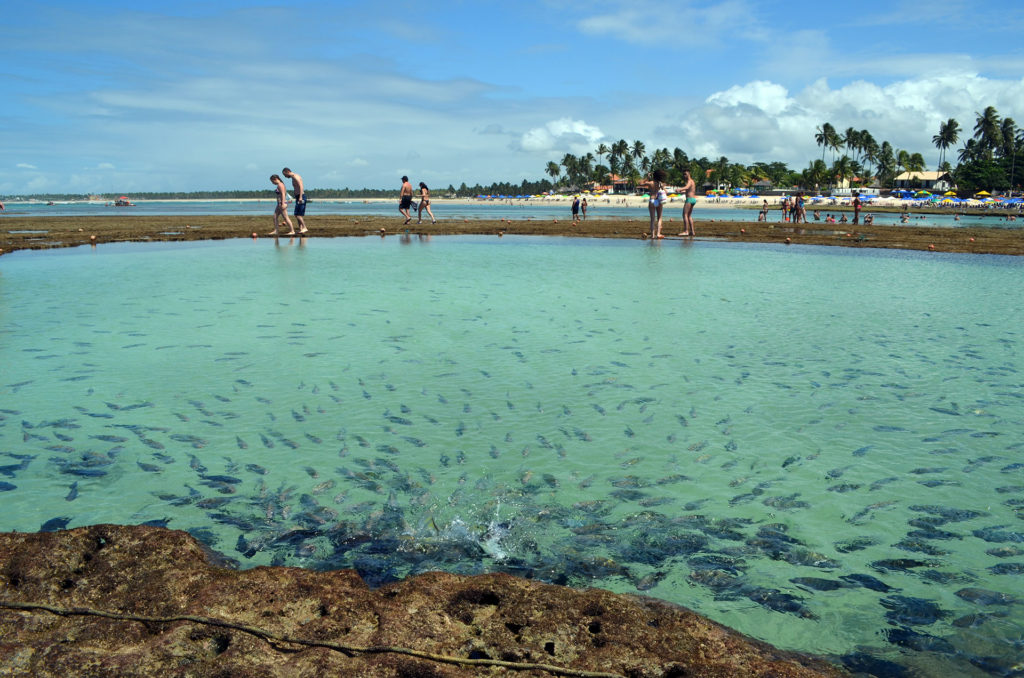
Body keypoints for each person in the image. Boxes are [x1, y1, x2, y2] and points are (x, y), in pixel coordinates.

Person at [282, 168, 308, 234]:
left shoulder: (296, 176)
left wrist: (300, 197)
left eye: (285, 175)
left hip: (301, 196)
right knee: (298, 215)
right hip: (298, 196)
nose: (285, 177)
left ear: (287, 172)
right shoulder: (293, 177)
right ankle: (301, 229)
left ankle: (304, 227)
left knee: (298, 215)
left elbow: (301, 186)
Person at [648, 169, 668, 239]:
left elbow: (641, 183)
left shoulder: (650, 183)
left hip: (652, 200)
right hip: (659, 200)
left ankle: (652, 235)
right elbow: (666, 192)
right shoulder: (660, 184)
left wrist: (648, 177)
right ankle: (658, 234)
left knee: (652, 219)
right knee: (659, 218)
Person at [680, 170, 696, 236]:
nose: (684, 176)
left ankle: (686, 231)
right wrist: (683, 191)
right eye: (684, 174)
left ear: (689, 174)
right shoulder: (692, 181)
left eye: (685, 174)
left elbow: (687, 187)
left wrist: (680, 189)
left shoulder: (689, 181)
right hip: (693, 199)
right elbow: (689, 190)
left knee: (685, 215)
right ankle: (692, 231)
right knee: (689, 216)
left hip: (689, 200)